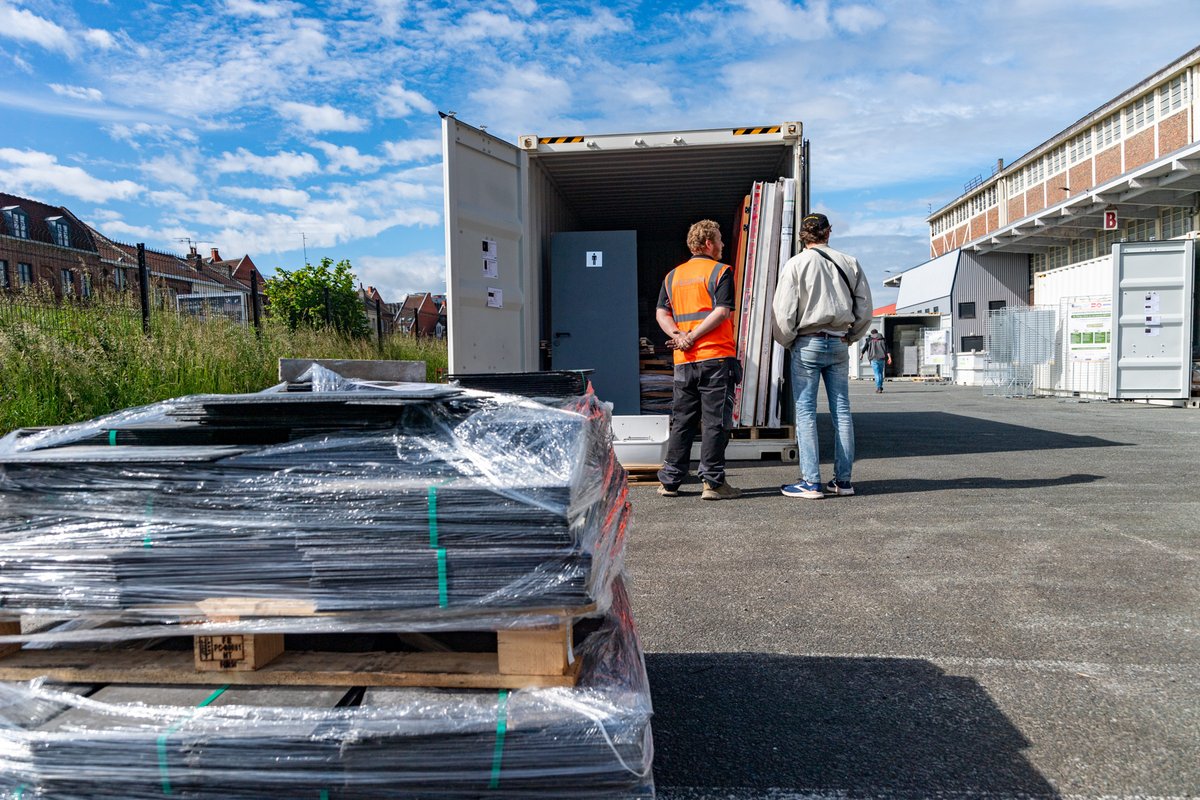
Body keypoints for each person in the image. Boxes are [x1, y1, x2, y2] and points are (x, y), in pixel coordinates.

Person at [771, 212, 873, 499]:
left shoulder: (796, 264)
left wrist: (790, 341)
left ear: (804, 236)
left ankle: (811, 482)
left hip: (808, 341)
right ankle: (843, 481)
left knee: (805, 413)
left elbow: (783, 312)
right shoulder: (849, 262)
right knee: (842, 411)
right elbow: (865, 308)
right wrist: (851, 336)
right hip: (839, 342)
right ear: (829, 232)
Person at [655, 219, 741, 501]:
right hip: (715, 358)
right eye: (719, 239)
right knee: (715, 422)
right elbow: (722, 312)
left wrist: (679, 336)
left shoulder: (672, 276)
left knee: (682, 421)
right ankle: (713, 484)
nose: (722, 244)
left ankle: (670, 482)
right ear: (707, 244)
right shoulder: (721, 271)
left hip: (684, 361)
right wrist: (692, 336)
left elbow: (661, 314)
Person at [862, 328, 891, 393]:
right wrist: (889, 358)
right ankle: (880, 386)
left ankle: (879, 388)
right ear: (877, 333)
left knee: (877, 373)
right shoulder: (883, 339)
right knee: (880, 373)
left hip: (874, 358)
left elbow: (865, 348)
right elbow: (887, 349)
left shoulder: (869, 339)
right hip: (882, 358)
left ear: (872, 334)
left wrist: (861, 355)